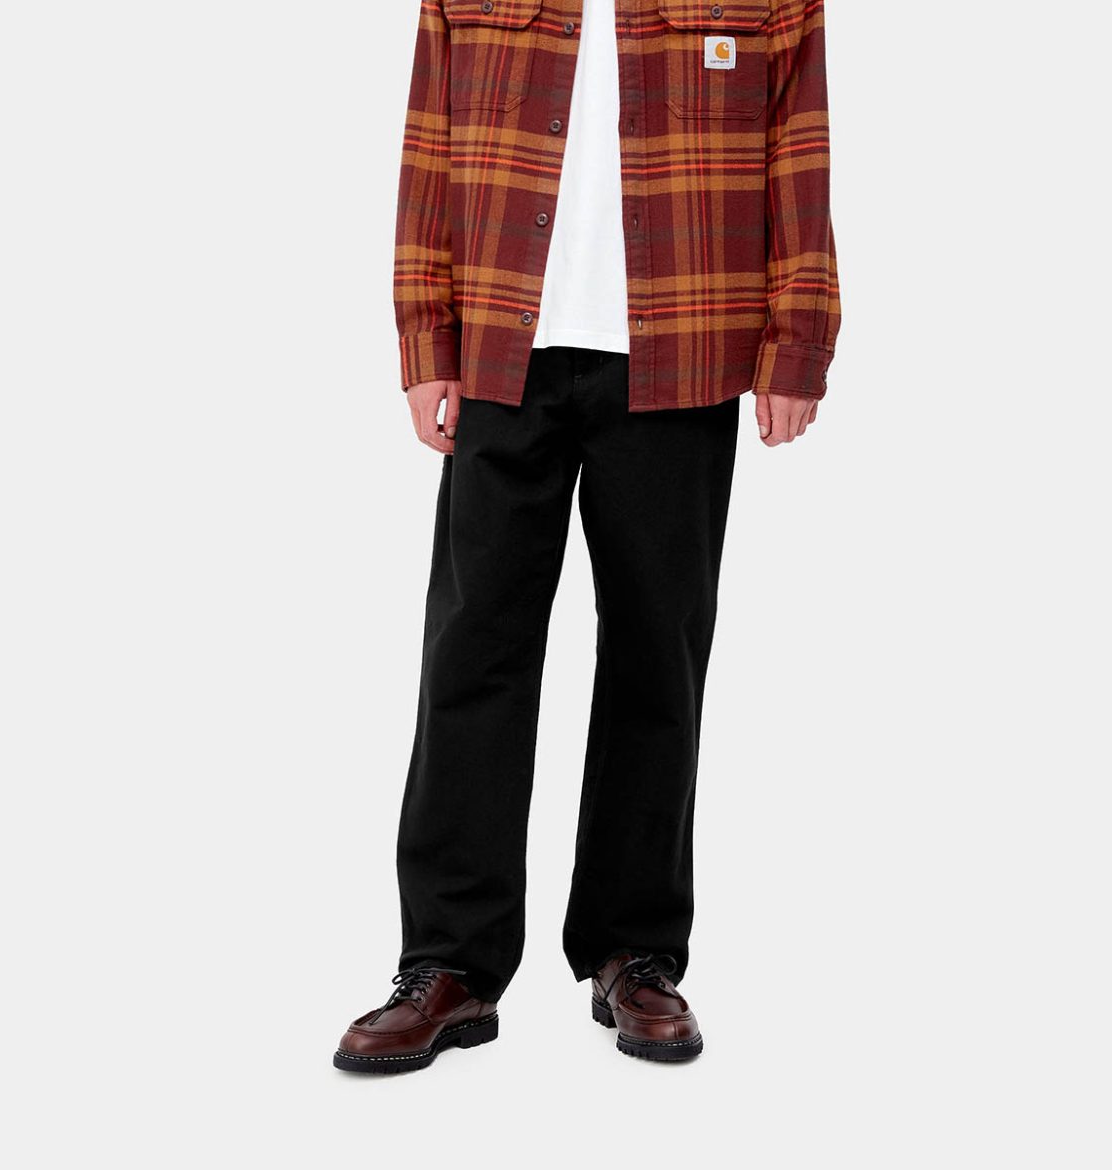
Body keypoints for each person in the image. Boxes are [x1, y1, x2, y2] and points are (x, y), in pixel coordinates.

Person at [334, 0, 840, 1073]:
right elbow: (430, 136)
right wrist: (425, 332)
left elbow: (799, 146)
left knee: (660, 653)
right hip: (501, 345)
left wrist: (799, 337)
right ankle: (450, 964)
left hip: (687, 345)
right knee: (473, 650)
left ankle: (634, 952)